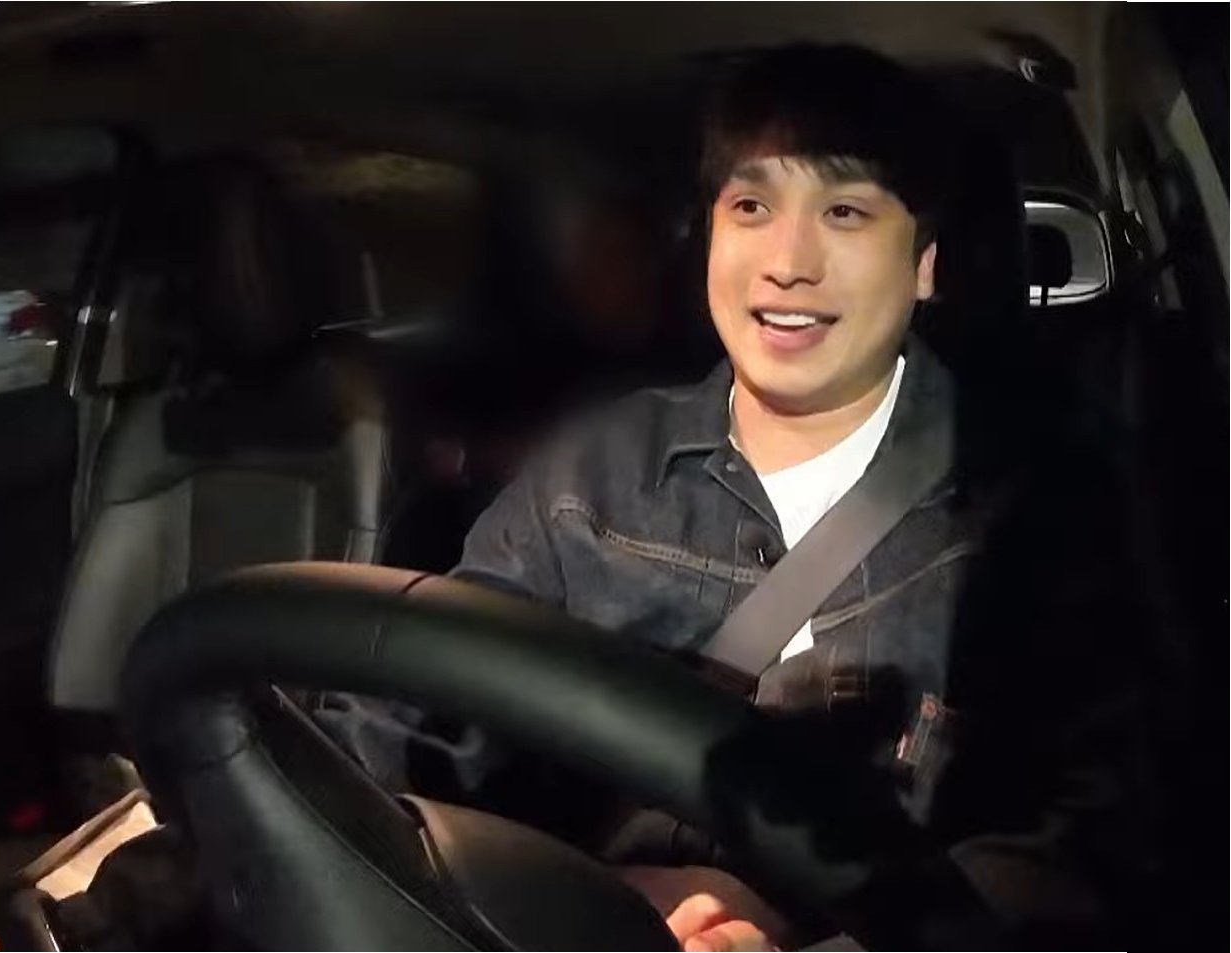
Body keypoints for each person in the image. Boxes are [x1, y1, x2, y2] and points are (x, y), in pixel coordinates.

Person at [446, 44, 1161, 948]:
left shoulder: (1042, 504)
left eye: (845, 211)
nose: (787, 262)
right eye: (751, 206)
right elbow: (420, 717)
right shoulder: (586, 480)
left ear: (925, 263)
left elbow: (1092, 838)